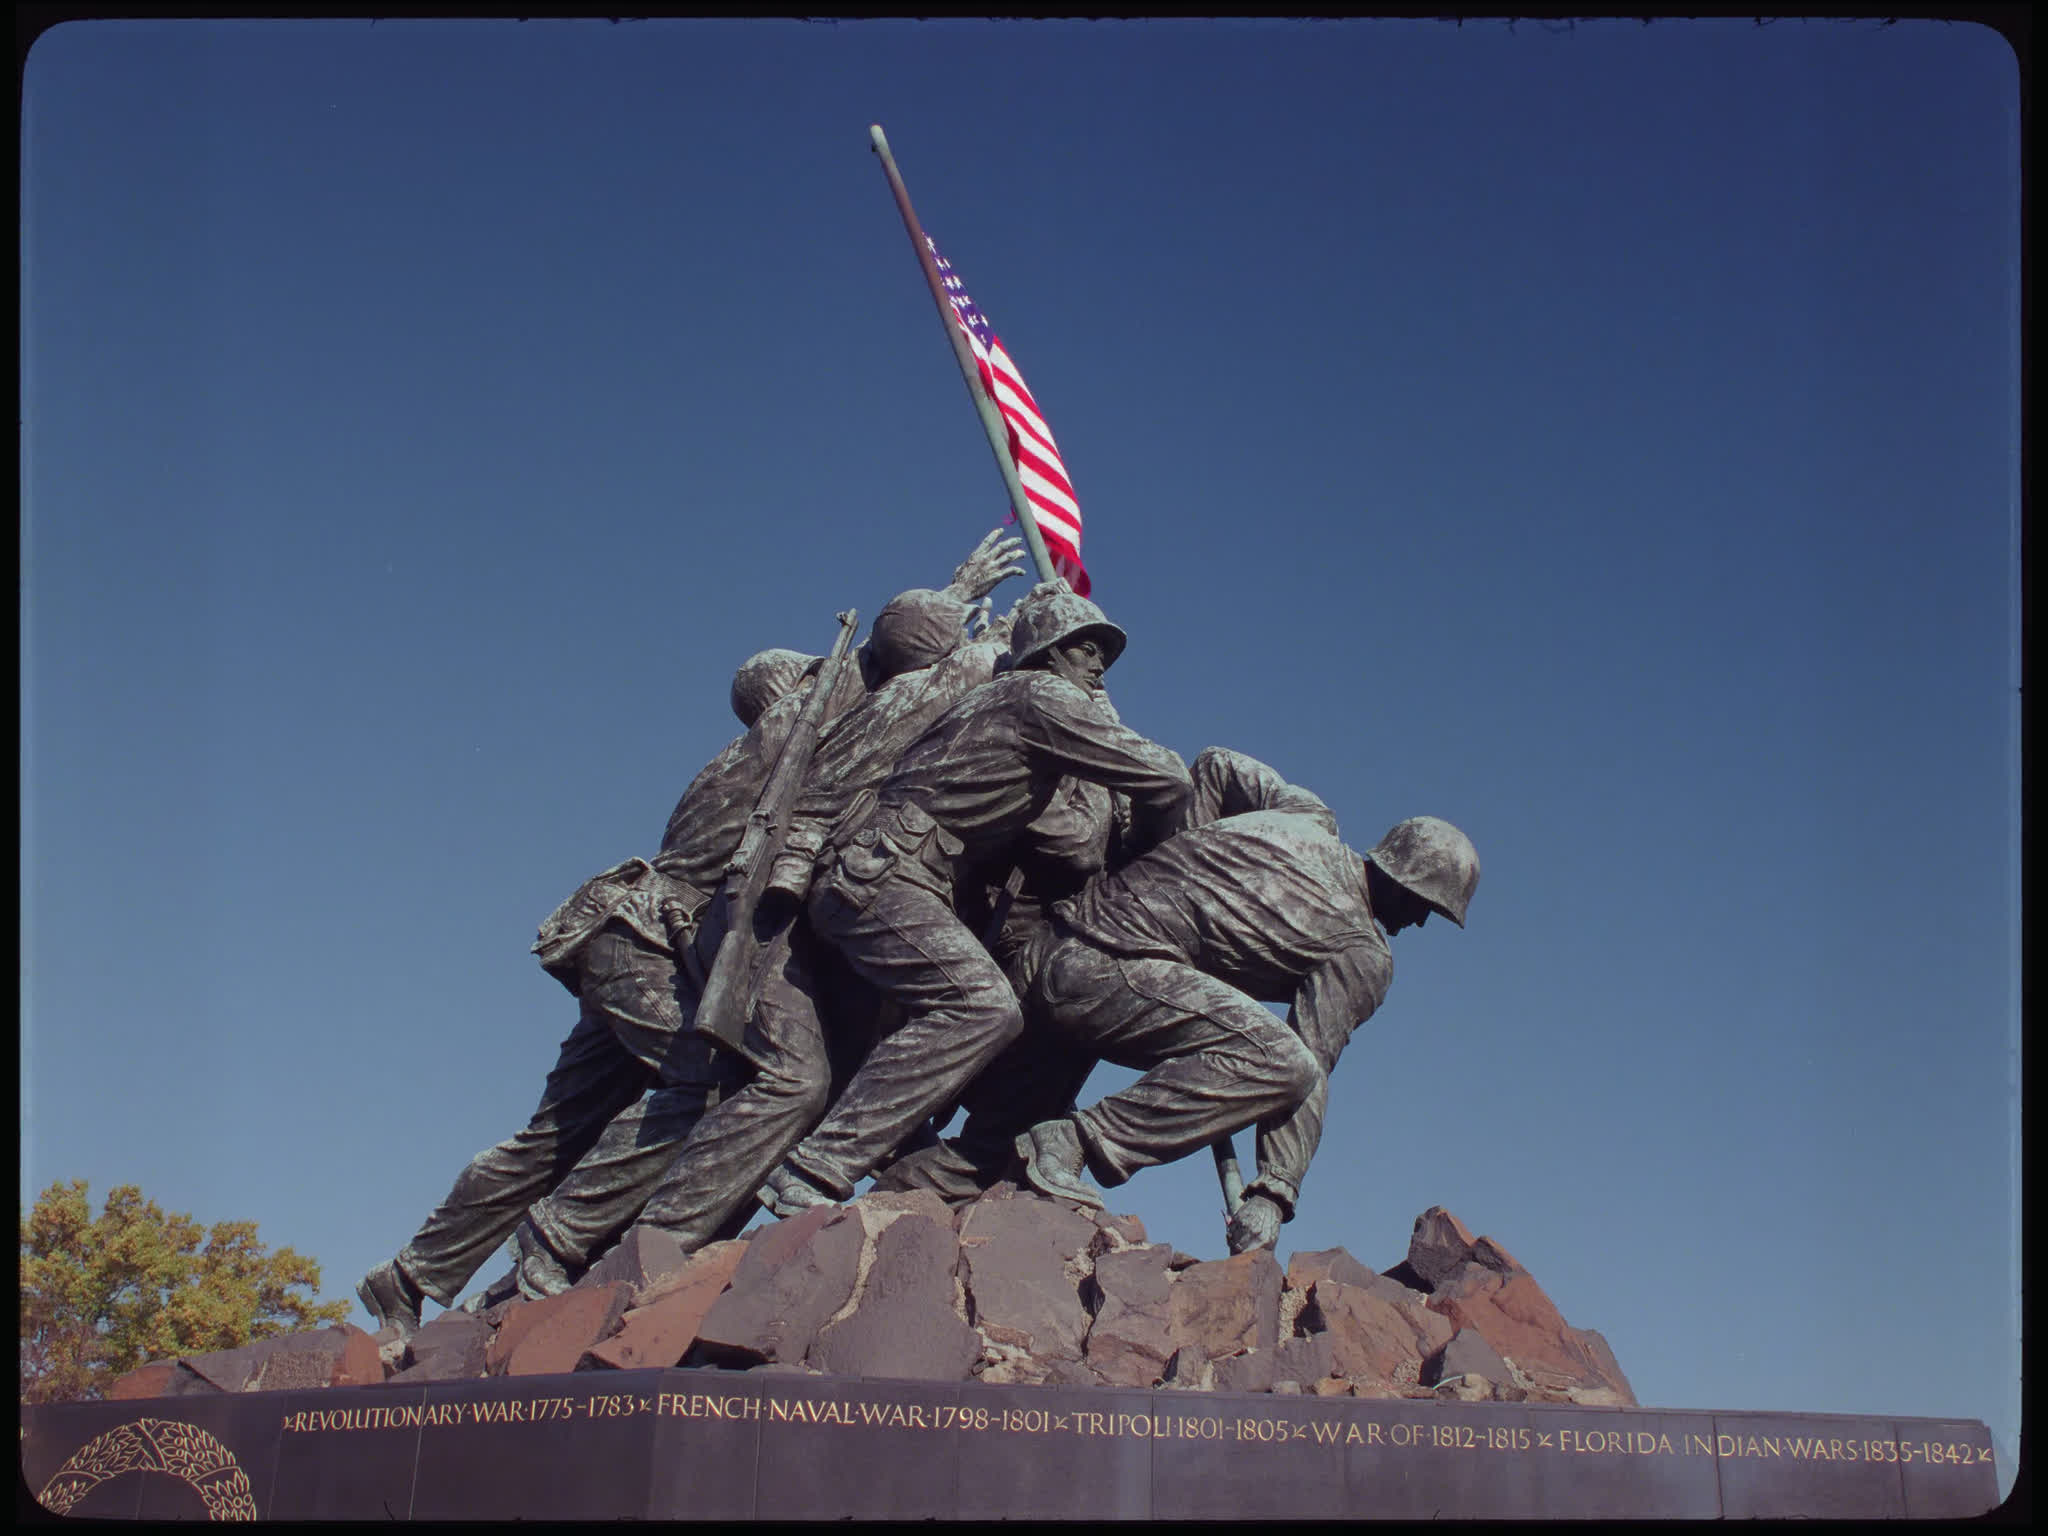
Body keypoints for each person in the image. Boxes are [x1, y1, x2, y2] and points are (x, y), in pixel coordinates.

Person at [355, 533, 1025, 1335]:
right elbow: (896, 679)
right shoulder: (791, 736)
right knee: (733, 1081)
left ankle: (413, 1274)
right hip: (652, 941)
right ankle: (560, 1255)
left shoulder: (755, 748)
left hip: (632, 940)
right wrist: (979, 623)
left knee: (561, 1130)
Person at [881, 753, 1478, 1256]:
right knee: (1280, 1062)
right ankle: (1077, 1142)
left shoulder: (1305, 817)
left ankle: (883, 1212)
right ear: (1403, 881)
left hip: (1053, 955)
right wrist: (1275, 1190)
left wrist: (1161, 865)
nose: (1422, 922)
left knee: (991, 1154)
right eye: (1427, 904)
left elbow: (1215, 767)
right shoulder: (1363, 951)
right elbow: (1308, 1067)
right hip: (1104, 977)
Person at [755, 586, 1194, 1216]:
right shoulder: (1042, 696)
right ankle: (818, 1169)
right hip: (888, 875)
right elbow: (1168, 777)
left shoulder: (1001, 701)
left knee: (950, 1032)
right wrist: (1153, 849)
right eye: (1088, 651)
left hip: (894, 873)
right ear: (1050, 652)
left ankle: (879, 1168)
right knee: (981, 1008)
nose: (1099, 668)